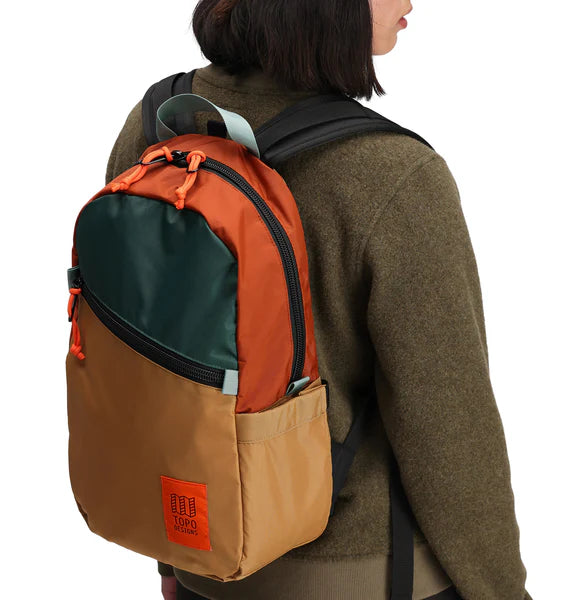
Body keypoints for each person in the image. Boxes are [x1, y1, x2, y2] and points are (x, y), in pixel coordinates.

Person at [105, 1, 533, 599]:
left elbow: (152, 361)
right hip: (367, 573)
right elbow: (451, 430)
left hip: (204, 555)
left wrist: (172, 561)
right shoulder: (394, 174)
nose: (410, 2)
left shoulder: (159, 127)